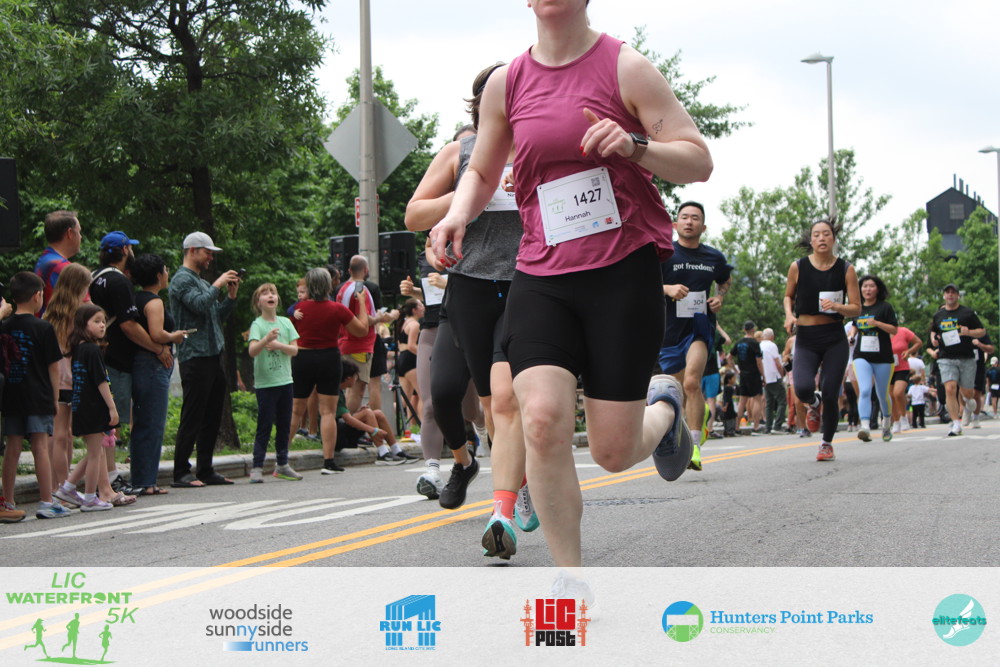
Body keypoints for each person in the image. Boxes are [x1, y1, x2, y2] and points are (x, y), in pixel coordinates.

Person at [431, 0, 712, 569]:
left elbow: (698, 161)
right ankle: (569, 582)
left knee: (612, 451)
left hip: (621, 273)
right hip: (542, 273)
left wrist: (634, 145)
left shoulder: (626, 67)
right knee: (539, 419)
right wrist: (457, 212)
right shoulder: (507, 83)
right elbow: (482, 170)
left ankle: (663, 410)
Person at [407, 64, 532, 562]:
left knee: (503, 399)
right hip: (471, 288)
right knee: (454, 395)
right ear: (479, 104)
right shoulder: (458, 153)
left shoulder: (538, 148)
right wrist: (466, 193)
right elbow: (414, 215)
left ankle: (505, 507)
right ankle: (475, 464)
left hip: (526, 284)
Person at [90, 231, 173, 494]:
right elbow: (128, 325)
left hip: (97, 354)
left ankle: (108, 478)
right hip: (115, 359)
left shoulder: (95, 277)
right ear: (125, 250)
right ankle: (110, 478)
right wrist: (158, 348)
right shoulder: (119, 282)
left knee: (108, 421)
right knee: (112, 421)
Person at [658, 200, 732, 467]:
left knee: (691, 383)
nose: (689, 222)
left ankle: (694, 448)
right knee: (679, 390)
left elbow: (724, 279)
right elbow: (644, 283)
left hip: (699, 327)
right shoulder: (664, 254)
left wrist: (719, 297)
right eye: (685, 217)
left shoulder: (713, 257)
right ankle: (700, 416)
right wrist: (667, 289)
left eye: (695, 218)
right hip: (669, 331)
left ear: (703, 227)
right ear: (675, 224)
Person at [783, 220, 861, 461]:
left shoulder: (846, 269)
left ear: (833, 239)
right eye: (816, 235)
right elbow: (788, 296)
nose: (821, 238)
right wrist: (789, 315)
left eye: (826, 234)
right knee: (802, 388)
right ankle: (813, 403)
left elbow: (856, 308)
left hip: (834, 337)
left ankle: (826, 443)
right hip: (806, 337)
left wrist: (838, 307)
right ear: (811, 240)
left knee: (830, 391)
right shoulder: (798, 267)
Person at [168, 232, 240, 486]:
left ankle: (205, 469)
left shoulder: (200, 281)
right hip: (195, 357)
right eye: (208, 252)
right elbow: (198, 305)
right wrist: (217, 284)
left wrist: (230, 297)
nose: (211, 258)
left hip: (212, 355)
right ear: (192, 250)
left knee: (212, 415)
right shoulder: (181, 280)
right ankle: (180, 472)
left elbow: (215, 315)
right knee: (193, 415)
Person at [0, 272, 71, 518]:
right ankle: (46, 501)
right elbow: (53, 366)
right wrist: (54, 396)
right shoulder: (43, 327)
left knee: (13, 447)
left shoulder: (5, 326)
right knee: (40, 446)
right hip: (38, 394)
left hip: (11, 394)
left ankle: (8, 500)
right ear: (37, 296)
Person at [289, 268, 369, 472]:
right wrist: (361, 302)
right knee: (328, 412)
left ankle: (282, 458)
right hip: (329, 358)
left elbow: (289, 330)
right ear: (328, 286)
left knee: (296, 410)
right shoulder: (337, 309)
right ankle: (329, 461)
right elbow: (361, 330)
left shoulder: (298, 308)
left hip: (303, 357)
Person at [129, 254, 187, 496]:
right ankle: (146, 481)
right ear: (157, 275)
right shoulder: (154, 302)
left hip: (141, 363)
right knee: (152, 423)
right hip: (154, 364)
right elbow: (156, 333)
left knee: (143, 421)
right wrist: (175, 336)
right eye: (165, 270)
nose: (167, 273)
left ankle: (142, 478)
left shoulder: (135, 298)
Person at [42, 263, 92, 501]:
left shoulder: (50, 314)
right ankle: (64, 487)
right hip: (72, 378)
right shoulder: (79, 315)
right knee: (63, 435)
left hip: (54, 379)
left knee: (59, 434)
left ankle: (56, 484)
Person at [68, 304, 120, 511]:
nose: (102, 325)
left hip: (80, 406)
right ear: (83, 325)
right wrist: (112, 408)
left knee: (94, 452)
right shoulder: (92, 350)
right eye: (96, 321)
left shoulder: (78, 349)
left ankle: (68, 487)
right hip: (93, 407)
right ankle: (89, 497)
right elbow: (101, 381)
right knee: (95, 454)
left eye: (103, 321)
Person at [248, 283, 300, 483]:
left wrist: (278, 344)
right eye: (265, 293)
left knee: (284, 425)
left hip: (285, 381)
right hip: (265, 384)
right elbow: (253, 351)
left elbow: (295, 350)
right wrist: (265, 340)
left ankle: (282, 464)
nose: (270, 296)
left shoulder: (286, 322)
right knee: (265, 425)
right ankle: (257, 467)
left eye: (273, 293)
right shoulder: (257, 325)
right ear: (258, 302)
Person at [336, 256, 396, 414]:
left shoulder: (343, 289)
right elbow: (362, 318)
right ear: (366, 269)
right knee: (358, 388)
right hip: (359, 345)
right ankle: (347, 423)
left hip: (347, 341)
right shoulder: (360, 289)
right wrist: (380, 318)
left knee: (351, 388)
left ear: (349, 270)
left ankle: (346, 422)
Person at [929, 283, 986, 436]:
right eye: (947, 292)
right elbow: (933, 331)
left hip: (966, 357)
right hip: (946, 357)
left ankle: (968, 400)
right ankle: (955, 423)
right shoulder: (939, 315)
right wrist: (934, 339)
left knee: (967, 392)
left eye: (953, 292)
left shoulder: (967, 313)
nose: (950, 295)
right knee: (950, 388)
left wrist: (969, 332)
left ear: (958, 295)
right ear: (944, 295)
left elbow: (982, 331)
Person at [334, 357, 415, 463]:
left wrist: (360, 413)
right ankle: (382, 452)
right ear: (348, 378)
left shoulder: (340, 391)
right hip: (338, 436)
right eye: (355, 377)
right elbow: (347, 419)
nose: (356, 379)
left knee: (377, 413)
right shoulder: (335, 393)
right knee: (367, 413)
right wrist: (373, 430)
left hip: (343, 429)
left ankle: (396, 450)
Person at [850, 275, 898, 442]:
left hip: (883, 357)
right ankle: (865, 427)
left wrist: (877, 323)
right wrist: (852, 335)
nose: (867, 289)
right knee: (864, 390)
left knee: (882, 394)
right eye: (864, 286)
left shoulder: (885, 307)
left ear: (878, 289)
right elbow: (855, 325)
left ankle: (887, 422)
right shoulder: (857, 308)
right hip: (861, 356)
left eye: (871, 286)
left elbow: (894, 330)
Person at [35, 210, 83, 312]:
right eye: (79, 232)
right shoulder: (63, 267)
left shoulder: (44, 259)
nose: (80, 236)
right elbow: (83, 307)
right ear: (70, 233)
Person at [730, 321, 764, 434]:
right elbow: (758, 361)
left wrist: (736, 371)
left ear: (744, 330)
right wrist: (763, 375)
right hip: (753, 373)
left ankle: (737, 426)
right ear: (753, 329)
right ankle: (756, 426)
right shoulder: (754, 343)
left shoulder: (739, 342)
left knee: (742, 401)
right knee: (757, 399)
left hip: (743, 374)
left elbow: (729, 357)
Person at [395, 298, 424, 426]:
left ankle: (410, 427)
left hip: (402, 359)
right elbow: (412, 346)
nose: (423, 308)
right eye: (421, 305)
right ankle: (424, 424)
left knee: (406, 398)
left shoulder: (403, 324)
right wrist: (426, 355)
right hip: (411, 360)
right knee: (423, 395)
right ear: (414, 310)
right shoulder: (415, 325)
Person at [889, 324, 921, 433]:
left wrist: (908, 351)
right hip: (887, 368)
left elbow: (918, 342)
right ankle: (896, 421)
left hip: (902, 367)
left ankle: (903, 417)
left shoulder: (903, 331)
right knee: (890, 396)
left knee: (898, 393)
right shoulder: (881, 333)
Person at [759, 328, 787, 434]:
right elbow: (777, 363)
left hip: (764, 377)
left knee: (769, 403)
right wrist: (781, 374)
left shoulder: (760, 345)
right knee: (782, 401)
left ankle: (768, 426)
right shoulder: (772, 345)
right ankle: (777, 426)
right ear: (772, 336)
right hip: (774, 376)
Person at [970, 333, 994, 429]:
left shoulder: (981, 333)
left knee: (977, 393)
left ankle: (975, 417)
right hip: (962, 365)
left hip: (978, 367)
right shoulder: (959, 331)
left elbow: (991, 349)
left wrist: (979, 344)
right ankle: (964, 410)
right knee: (963, 392)